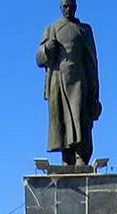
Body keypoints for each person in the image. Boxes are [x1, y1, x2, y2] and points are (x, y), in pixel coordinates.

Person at [37, 0, 100, 165]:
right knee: (61, 119)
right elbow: (39, 59)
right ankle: (67, 157)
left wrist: (94, 93)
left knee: (79, 116)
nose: (68, 9)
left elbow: (92, 61)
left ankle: (80, 155)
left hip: (79, 79)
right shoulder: (51, 28)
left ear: (76, 7)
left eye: (71, 6)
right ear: (60, 7)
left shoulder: (84, 29)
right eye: (65, 6)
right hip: (57, 80)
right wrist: (46, 50)